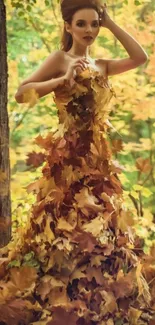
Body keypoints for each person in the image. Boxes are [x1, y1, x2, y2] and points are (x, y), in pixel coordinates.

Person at [0, 1, 154, 324]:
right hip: (67, 162)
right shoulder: (60, 59)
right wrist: (61, 80)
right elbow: (21, 93)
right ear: (68, 26)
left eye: (94, 24)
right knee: (63, 229)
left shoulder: (102, 64)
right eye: (81, 24)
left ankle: (93, 298)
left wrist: (110, 21)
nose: (89, 31)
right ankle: (59, 297)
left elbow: (141, 57)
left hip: (99, 164)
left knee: (99, 231)